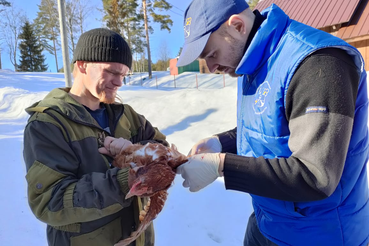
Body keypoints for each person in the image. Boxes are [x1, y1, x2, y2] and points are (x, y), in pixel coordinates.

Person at [175, 0, 369, 245]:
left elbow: (316, 175)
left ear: (237, 26)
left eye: (211, 54)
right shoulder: (252, 64)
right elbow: (273, 129)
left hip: (317, 234)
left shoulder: (318, 63)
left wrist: (222, 166)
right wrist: (220, 143)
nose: (211, 67)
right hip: (268, 221)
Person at [23, 28, 168, 246]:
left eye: (123, 75)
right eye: (111, 72)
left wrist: (134, 152)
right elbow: (50, 201)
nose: (119, 82)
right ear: (82, 65)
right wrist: (125, 181)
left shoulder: (126, 115)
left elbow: (164, 151)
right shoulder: (49, 123)